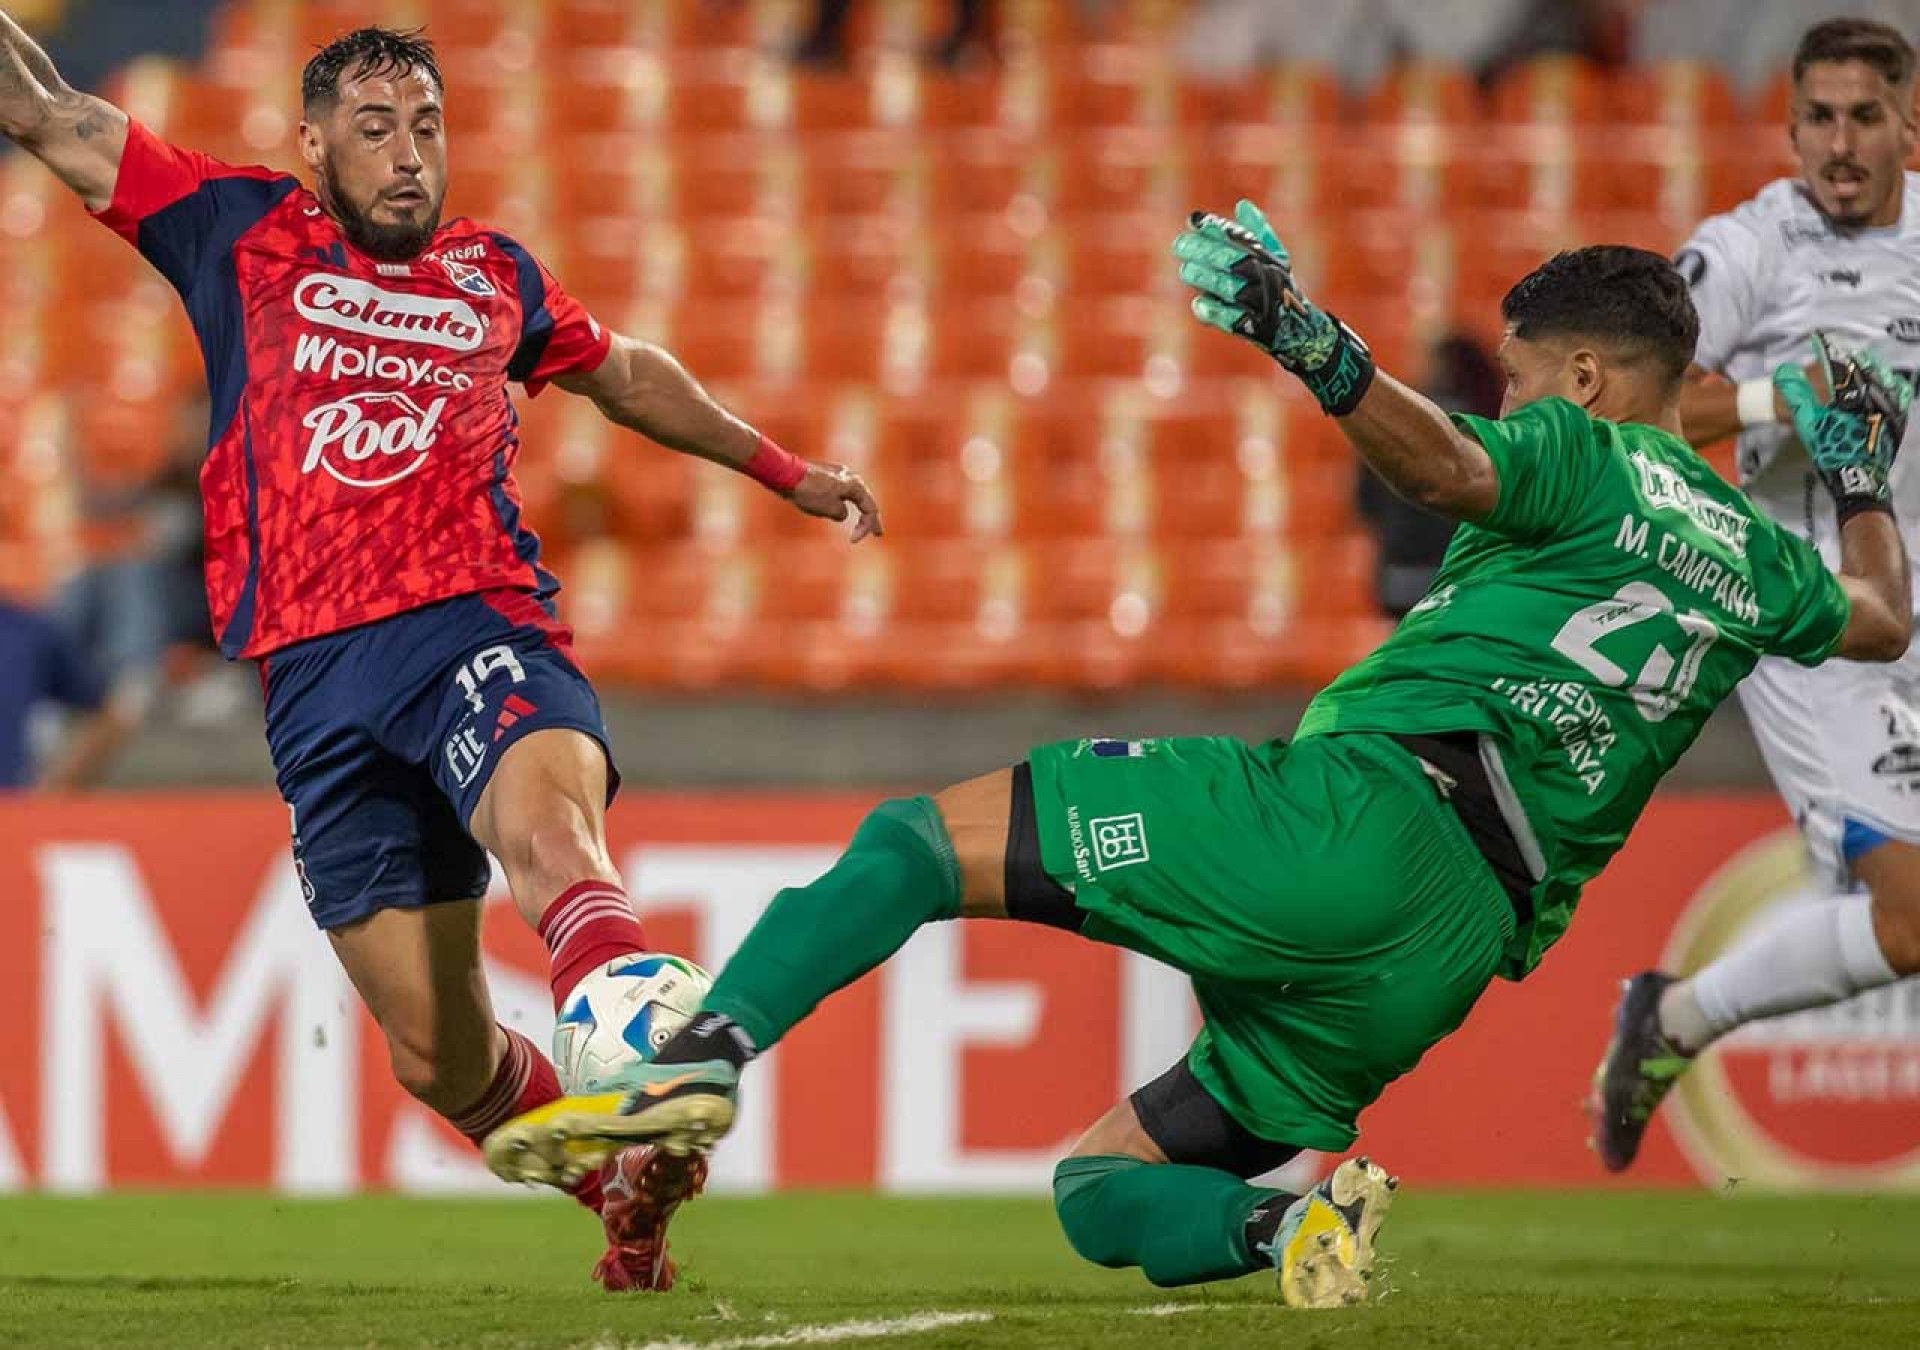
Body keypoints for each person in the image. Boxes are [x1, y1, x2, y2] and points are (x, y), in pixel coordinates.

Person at [482, 206, 1913, 1307]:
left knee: (915, 843)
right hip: (1448, 955)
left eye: (1529, 378)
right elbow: (1878, 613)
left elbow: (1445, 470)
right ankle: (1293, 1222)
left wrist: (1314, 343)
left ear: (1588, 379)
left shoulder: (1584, 454)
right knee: (1100, 1184)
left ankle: (703, 1060)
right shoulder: (1742, 552)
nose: (1518, 401)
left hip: (1362, 820)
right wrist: (1853, 469)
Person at [0, 17, 881, 1288]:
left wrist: (784, 469)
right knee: (437, 1059)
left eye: (427, 127)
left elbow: (623, 372)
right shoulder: (234, 227)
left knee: (549, 837)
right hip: (309, 679)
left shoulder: (494, 277)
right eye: (374, 130)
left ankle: (641, 1042)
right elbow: (45, 112)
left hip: (473, 617)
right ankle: (616, 1183)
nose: (409, 156)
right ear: (313, 147)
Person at [1588, 16, 1920, 1174]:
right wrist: (1785, 399)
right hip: (1818, 617)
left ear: (1907, 125)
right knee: (1913, 910)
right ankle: (1683, 1016)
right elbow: (1629, 399)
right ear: (1788, 128)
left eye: (1864, 118)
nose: (1840, 142)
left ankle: (1673, 1017)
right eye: (1819, 118)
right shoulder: (1750, 251)